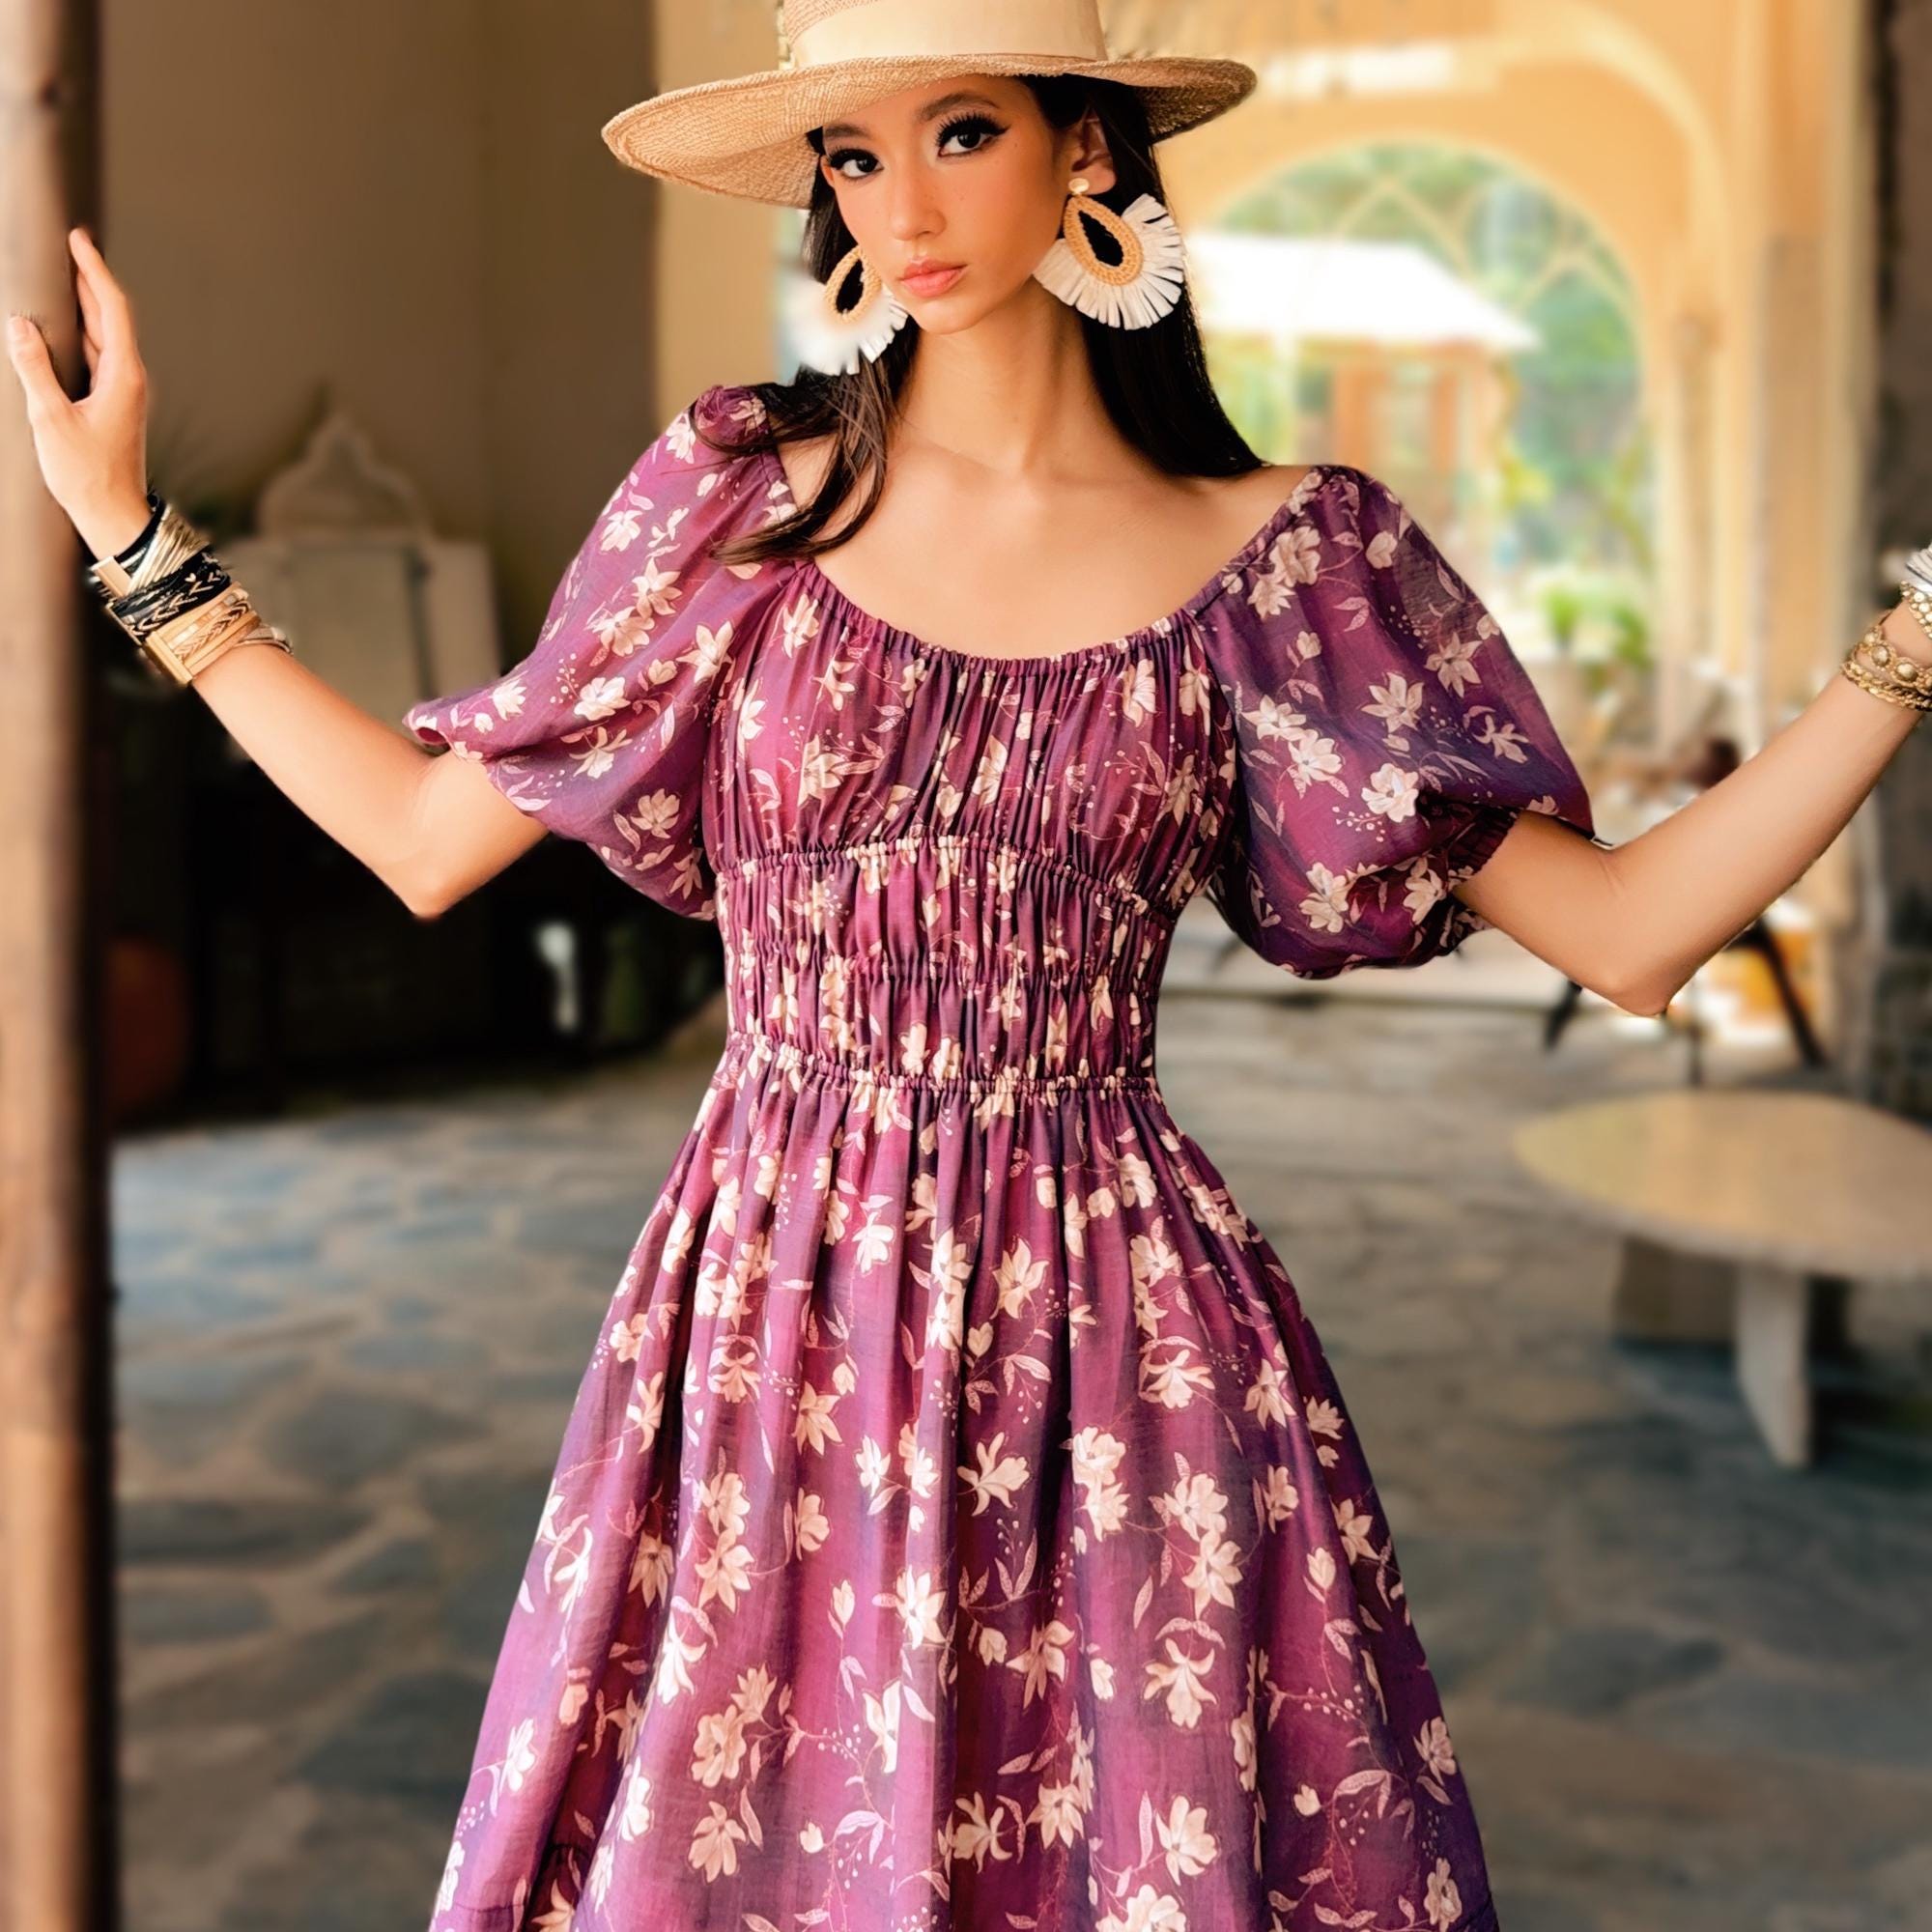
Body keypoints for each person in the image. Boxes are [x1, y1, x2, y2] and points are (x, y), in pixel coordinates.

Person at [10, 3, 1931, 1927]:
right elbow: (427, 842)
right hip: (769, 1320)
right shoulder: (738, 505)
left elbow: (1630, 928)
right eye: (853, 154)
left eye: (957, 132)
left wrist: (1910, 647)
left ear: (1085, 150)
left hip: (1127, 1356)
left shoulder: (1278, 564)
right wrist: (134, 540)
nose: (898, 201)